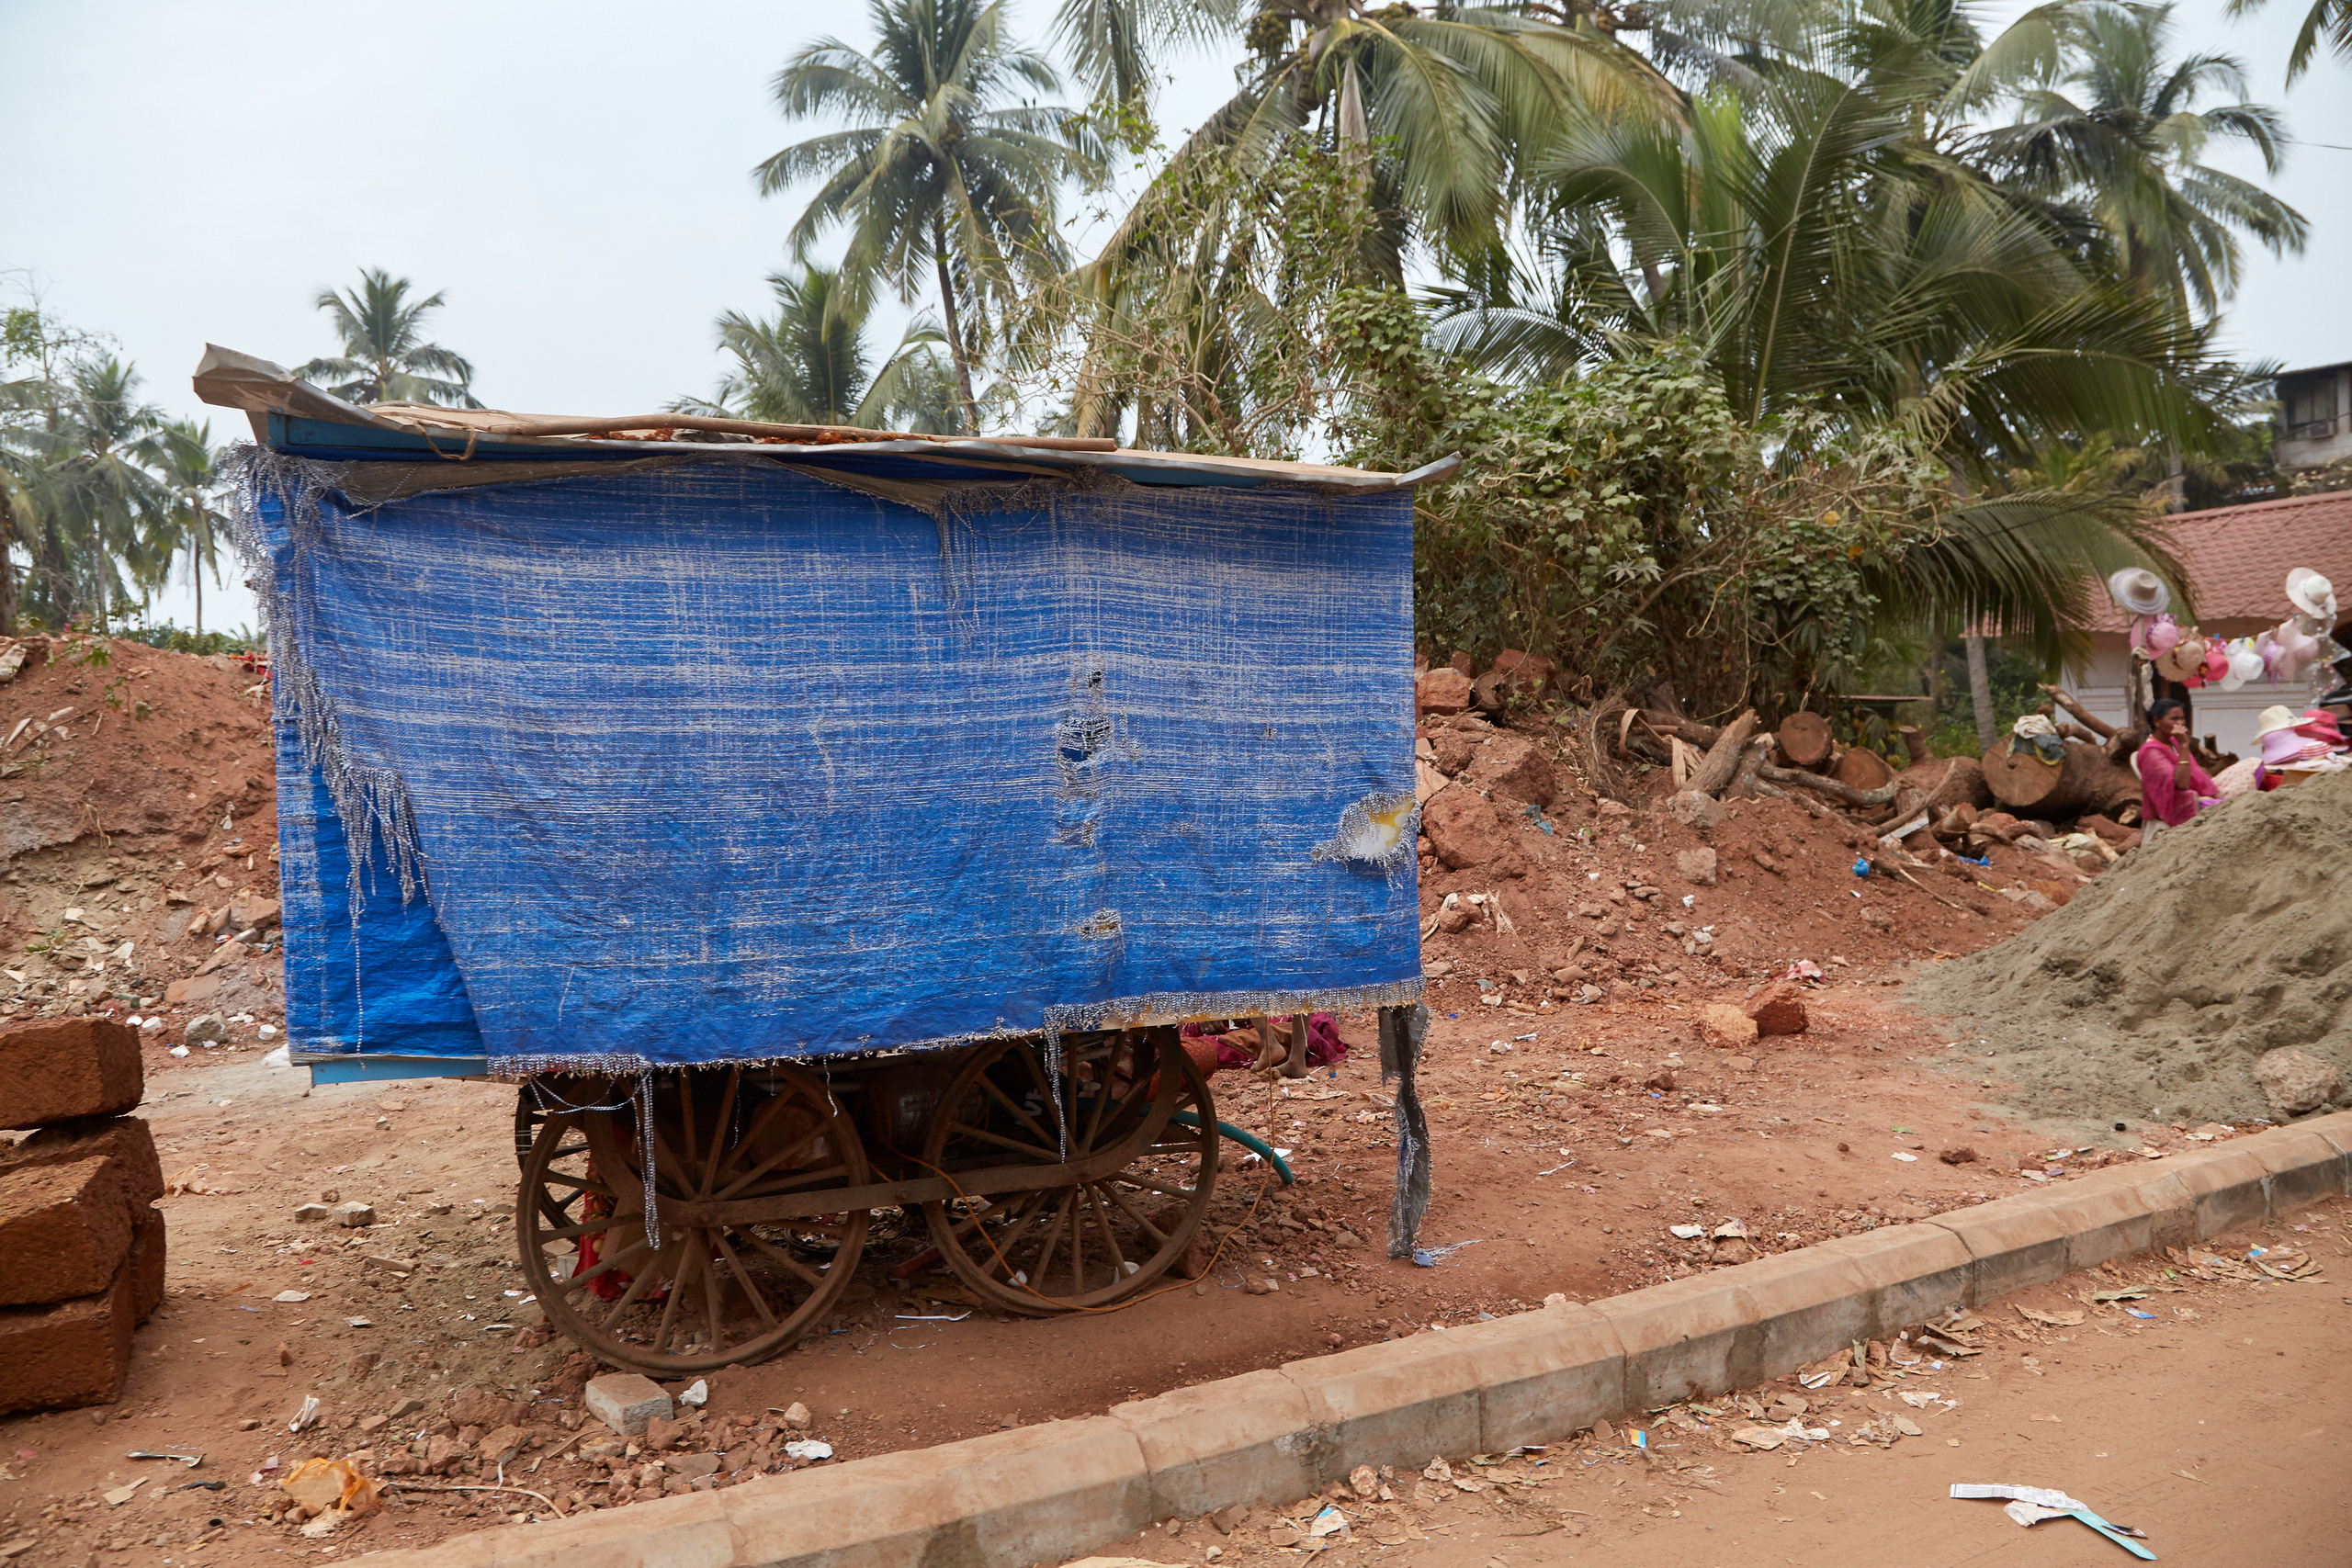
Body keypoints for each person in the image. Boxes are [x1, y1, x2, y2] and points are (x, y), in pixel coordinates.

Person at [2137, 698, 2218, 827]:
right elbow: (2182, 784)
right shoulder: (2151, 753)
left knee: (2250, 766)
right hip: (2176, 805)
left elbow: (2196, 772)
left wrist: (2213, 792)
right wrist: (2184, 745)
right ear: (2157, 721)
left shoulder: (2173, 742)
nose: (2180, 723)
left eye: (2182, 718)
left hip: (2197, 796)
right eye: (2174, 719)